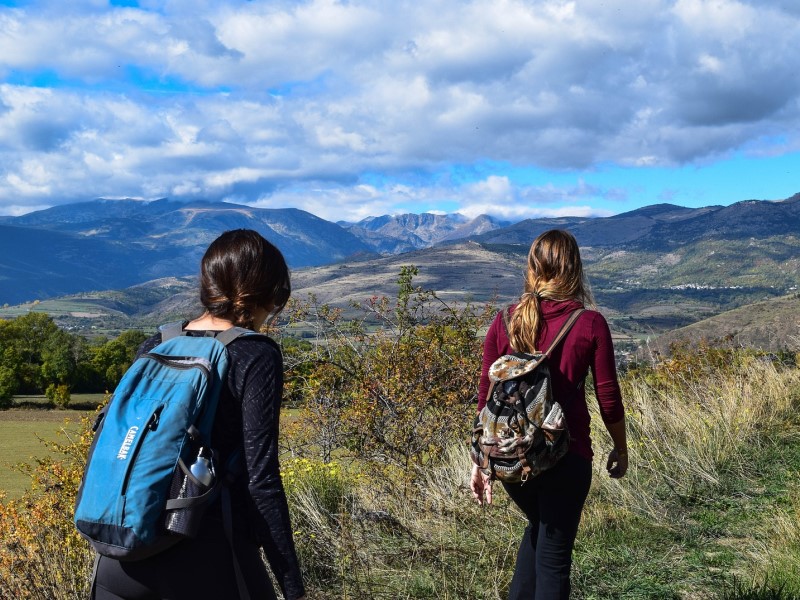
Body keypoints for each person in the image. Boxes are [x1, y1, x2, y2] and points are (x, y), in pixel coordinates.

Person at [93, 229, 306, 600]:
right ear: (264, 293)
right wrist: (292, 586)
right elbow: (262, 480)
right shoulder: (255, 355)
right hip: (208, 553)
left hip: (120, 556)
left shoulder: (157, 344)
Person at [469, 229, 627, 600]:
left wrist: (480, 460)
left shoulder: (504, 319)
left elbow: (486, 395)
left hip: (511, 458)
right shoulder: (589, 324)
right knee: (554, 563)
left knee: (539, 532)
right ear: (574, 268)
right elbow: (609, 398)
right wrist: (621, 449)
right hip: (565, 457)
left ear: (532, 268)